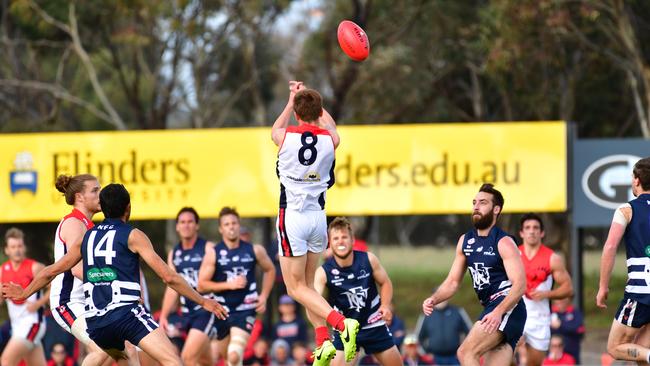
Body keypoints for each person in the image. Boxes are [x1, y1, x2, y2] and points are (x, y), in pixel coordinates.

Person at [3, 183, 228, 365]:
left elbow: (53, 270)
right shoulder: (133, 235)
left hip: (97, 323)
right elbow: (169, 277)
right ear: (128, 208)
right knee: (172, 360)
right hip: (125, 315)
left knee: (128, 357)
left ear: (103, 206)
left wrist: (24, 292)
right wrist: (202, 300)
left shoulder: (87, 237)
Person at [271, 80, 358, 365]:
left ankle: (341, 324)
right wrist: (316, 107)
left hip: (292, 217)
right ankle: (323, 343)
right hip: (318, 219)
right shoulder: (330, 140)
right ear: (319, 112)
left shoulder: (284, 137)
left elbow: (276, 128)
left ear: (297, 113)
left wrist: (291, 98)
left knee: (295, 289)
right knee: (309, 286)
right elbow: (332, 127)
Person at [421, 183, 527, 366]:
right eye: (474, 202)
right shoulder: (466, 241)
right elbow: (453, 282)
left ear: (496, 209)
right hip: (492, 309)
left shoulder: (504, 242)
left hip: (507, 308)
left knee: (465, 352)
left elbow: (520, 285)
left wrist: (498, 312)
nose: (476, 207)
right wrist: (434, 298)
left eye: (483, 202)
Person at [314, 217, 402, 366]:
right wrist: (322, 331)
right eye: (335, 238)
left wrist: (385, 305)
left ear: (353, 240)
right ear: (330, 243)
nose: (340, 241)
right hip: (344, 330)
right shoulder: (323, 272)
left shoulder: (369, 259)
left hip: (373, 324)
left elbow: (385, 282)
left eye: (344, 237)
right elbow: (313, 303)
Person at [49, 174, 115, 366]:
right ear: (79, 197)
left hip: (86, 301)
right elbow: (78, 271)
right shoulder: (74, 223)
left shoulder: (88, 225)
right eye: (95, 190)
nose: (100, 195)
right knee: (101, 349)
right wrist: (113, 286)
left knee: (123, 347)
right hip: (67, 301)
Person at [197, 207, 276, 366]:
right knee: (227, 358)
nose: (231, 227)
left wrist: (264, 296)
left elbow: (270, 269)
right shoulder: (214, 253)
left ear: (239, 225)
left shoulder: (254, 250)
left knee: (234, 355)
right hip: (221, 311)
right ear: (221, 229)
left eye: (234, 223)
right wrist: (229, 285)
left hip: (246, 308)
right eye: (227, 224)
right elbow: (201, 286)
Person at [596, 157, 650, 363]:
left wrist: (603, 287)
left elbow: (610, 247)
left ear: (637, 180)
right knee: (641, 354)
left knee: (615, 347)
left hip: (641, 293)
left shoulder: (626, 210)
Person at [158, 207, 216, 366]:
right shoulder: (174, 254)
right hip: (187, 313)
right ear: (177, 226)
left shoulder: (208, 248)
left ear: (197, 225)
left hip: (207, 310)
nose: (186, 225)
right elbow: (172, 287)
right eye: (182, 222)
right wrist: (163, 315)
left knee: (187, 358)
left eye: (190, 222)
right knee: (206, 361)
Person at [518, 213, 573, 366]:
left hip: (539, 319)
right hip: (516, 315)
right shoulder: (513, 255)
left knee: (533, 364)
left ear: (542, 232)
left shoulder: (552, 258)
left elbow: (568, 288)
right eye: (527, 228)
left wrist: (547, 294)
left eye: (536, 228)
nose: (532, 231)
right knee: (503, 354)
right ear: (521, 233)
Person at [0, 228, 48, 366]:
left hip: (33, 323)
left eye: (20, 246)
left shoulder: (35, 267)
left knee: (6, 361)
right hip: (17, 326)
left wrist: (39, 303)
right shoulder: (3, 270)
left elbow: (55, 287)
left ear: (24, 247)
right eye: (13, 247)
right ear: (7, 250)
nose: (17, 250)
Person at [416, 289, 472, 365]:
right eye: (438, 296)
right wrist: (425, 354)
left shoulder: (458, 312)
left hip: (455, 358)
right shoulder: (426, 315)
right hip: (434, 359)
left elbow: (470, 332)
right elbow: (418, 338)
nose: (441, 299)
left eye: (442, 295)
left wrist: (463, 351)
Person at [550, 297, 584, 364]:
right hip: (553, 354)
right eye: (558, 298)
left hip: (571, 352)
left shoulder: (575, 313)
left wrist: (561, 325)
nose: (560, 301)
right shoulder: (550, 312)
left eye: (562, 299)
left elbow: (579, 330)